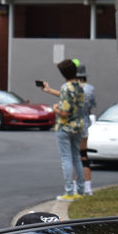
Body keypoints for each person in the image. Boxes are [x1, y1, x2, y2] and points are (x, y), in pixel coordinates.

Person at [41, 59, 85, 201]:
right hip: (78, 126)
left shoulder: (66, 87)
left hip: (65, 127)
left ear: (63, 73)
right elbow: (67, 96)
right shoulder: (79, 86)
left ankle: (69, 192)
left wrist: (55, 109)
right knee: (77, 158)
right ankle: (81, 191)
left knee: (66, 159)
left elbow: (65, 112)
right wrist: (49, 90)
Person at [78, 64, 96, 195]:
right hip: (84, 123)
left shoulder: (70, 88)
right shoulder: (90, 89)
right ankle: (88, 187)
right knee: (84, 155)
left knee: (74, 157)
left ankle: (74, 187)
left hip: (72, 124)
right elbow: (92, 105)